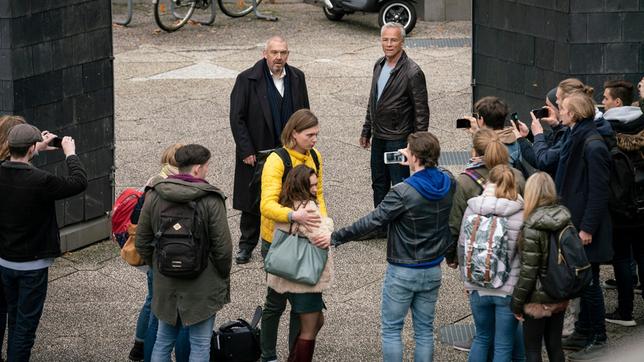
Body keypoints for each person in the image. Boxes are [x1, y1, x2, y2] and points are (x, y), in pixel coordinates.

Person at [333, 132, 454, 362]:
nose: (404, 152)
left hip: (403, 271)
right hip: (432, 270)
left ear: (415, 157)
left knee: (391, 330)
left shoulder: (402, 192)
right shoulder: (448, 182)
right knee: (425, 332)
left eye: (407, 150)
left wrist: (338, 236)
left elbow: (372, 221)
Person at [135, 144, 233, 361]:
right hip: (202, 283)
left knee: (162, 340)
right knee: (199, 344)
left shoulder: (155, 195)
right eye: (207, 166)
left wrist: (158, 265)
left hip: (166, 282)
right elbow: (223, 249)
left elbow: (141, 241)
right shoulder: (211, 199)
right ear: (197, 169)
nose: (208, 170)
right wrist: (220, 275)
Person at [0, 124, 87, 361]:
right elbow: (79, 182)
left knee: (9, 319)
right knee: (23, 329)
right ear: (30, 149)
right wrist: (70, 153)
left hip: (4, 262)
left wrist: (35, 147)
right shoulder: (41, 180)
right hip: (33, 266)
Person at [230, 35, 310, 264]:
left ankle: (287, 240)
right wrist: (246, 150)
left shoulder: (297, 77)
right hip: (257, 152)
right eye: (274, 52)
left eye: (283, 53)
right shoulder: (246, 79)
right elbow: (237, 118)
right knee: (253, 199)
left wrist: (303, 145)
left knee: (290, 195)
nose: (279, 57)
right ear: (265, 54)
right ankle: (246, 245)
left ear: (288, 55)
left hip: (289, 151)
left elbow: (304, 113)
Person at [259, 109, 327, 362]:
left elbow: (318, 195)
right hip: (277, 241)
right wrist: (293, 216)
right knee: (275, 304)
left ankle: (293, 355)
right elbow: (266, 205)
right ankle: (268, 356)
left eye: (317, 134)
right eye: (310, 135)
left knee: (301, 306)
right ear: (294, 133)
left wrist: (323, 226)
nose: (314, 140)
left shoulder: (316, 157)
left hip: (306, 241)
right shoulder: (277, 160)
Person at [555, 93, 612, 360]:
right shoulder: (577, 135)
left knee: (590, 283)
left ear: (574, 114)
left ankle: (598, 337)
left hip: (586, 228)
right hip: (576, 222)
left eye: (563, 108)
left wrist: (587, 228)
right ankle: (585, 331)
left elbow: (599, 192)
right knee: (584, 280)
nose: (560, 111)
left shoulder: (592, 144)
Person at [126, 143, 190, 362]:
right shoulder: (178, 186)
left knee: (154, 304)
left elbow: (140, 225)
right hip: (173, 257)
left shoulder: (153, 182)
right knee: (175, 314)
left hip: (155, 255)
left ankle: (142, 349)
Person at [359, 22, 429, 223]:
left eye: (394, 40)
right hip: (379, 138)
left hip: (398, 140)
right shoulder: (379, 65)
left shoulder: (413, 72)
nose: (389, 44)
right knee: (378, 183)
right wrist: (366, 130)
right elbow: (374, 100)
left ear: (402, 42)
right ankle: (380, 224)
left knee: (400, 184)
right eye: (385, 39)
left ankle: (403, 224)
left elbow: (422, 112)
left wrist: (417, 144)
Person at [457, 164, 524, 362]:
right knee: (503, 345)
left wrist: (467, 280)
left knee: (482, 337)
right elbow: (524, 256)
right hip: (507, 289)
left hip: (478, 285)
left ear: (488, 182)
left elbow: (463, 246)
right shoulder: (521, 212)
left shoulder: (473, 207)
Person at [267, 165, 333, 361]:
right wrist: (328, 222)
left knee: (316, 321)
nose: (315, 189)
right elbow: (321, 236)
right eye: (311, 185)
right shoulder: (308, 207)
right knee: (310, 329)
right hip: (305, 279)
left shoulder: (284, 205)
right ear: (301, 186)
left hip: (286, 274)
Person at [511, 172, 570, 362]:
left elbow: (528, 272)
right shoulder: (564, 218)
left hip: (536, 299)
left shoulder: (530, 226)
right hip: (559, 291)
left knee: (533, 349)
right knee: (555, 346)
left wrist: (517, 304)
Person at [600, 80, 644, 327]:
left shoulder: (607, 130)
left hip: (619, 205)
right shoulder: (642, 121)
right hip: (642, 202)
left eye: (606, 98)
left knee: (622, 260)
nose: (603, 102)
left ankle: (625, 312)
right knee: (641, 253)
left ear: (617, 102)